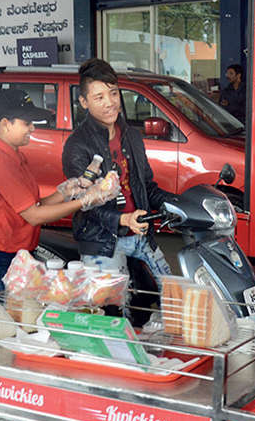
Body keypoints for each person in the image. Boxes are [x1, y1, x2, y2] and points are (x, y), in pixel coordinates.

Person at [0, 87, 119, 291]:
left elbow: (35, 205)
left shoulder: (14, 156)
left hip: (19, 255)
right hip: (0, 261)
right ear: (6, 124)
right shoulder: (1, 163)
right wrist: (84, 201)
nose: (32, 128)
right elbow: (34, 216)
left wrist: (67, 191)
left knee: (26, 318)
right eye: (27, 123)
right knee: (11, 321)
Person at [61, 58, 176, 277]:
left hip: (141, 234)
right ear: (84, 102)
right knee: (113, 308)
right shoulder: (77, 145)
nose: (110, 102)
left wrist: (180, 205)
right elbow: (84, 203)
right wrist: (124, 219)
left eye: (113, 93)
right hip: (101, 242)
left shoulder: (131, 136)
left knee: (172, 292)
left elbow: (146, 186)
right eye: (99, 97)